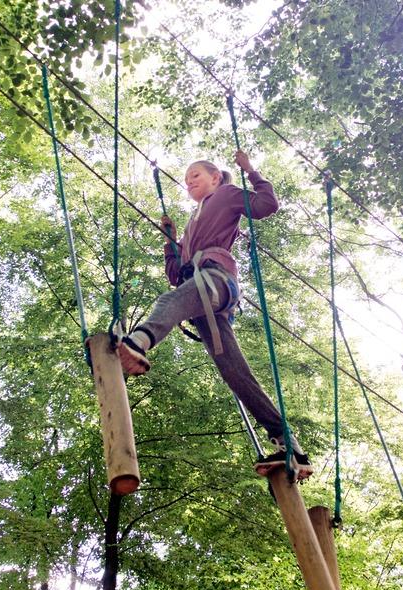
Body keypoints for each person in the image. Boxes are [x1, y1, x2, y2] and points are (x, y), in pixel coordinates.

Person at [116, 151, 312, 479]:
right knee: (235, 373)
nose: (189, 181)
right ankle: (290, 446)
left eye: (196, 175)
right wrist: (170, 241)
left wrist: (250, 170)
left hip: (216, 281)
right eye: (186, 178)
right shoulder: (194, 222)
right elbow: (177, 274)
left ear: (215, 178)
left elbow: (266, 206)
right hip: (201, 300)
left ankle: (139, 341)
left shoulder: (226, 195)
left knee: (168, 303)